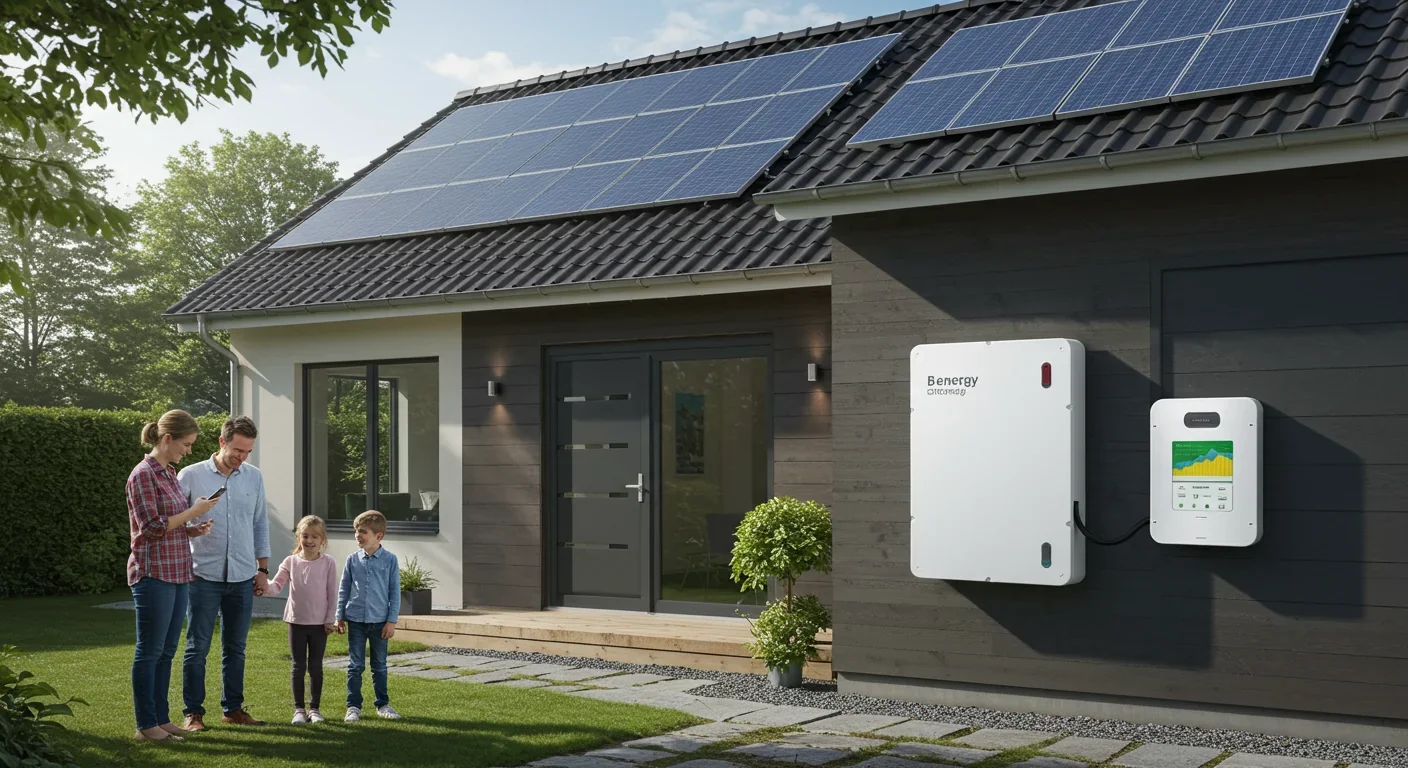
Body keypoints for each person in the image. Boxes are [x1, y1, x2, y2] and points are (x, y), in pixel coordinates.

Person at [126, 410, 216, 742]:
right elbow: (150, 528)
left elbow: (169, 524)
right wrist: (193, 511)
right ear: (167, 439)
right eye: (186, 444)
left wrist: (192, 528)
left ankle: (161, 720)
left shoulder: (168, 472)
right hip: (153, 573)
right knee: (149, 651)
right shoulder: (142, 475)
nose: (188, 451)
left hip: (178, 572)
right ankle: (145, 725)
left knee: (166, 651)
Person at [177, 415, 270, 730]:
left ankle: (233, 709)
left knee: (236, 648)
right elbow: (174, 522)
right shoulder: (191, 475)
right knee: (197, 647)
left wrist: (262, 569)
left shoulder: (254, 477)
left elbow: (260, 524)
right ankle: (193, 713)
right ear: (222, 442)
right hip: (202, 575)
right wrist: (193, 527)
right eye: (237, 450)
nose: (242, 457)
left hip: (242, 576)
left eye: (247, 452)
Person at [261, 515, 339, 724]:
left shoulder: (328, 563)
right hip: (296, 622)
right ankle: (299, 710)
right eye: (305, 536)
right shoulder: (290, 562)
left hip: (319, 625)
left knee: (316, 666)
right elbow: (276, 586)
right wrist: (262, 586)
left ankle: (314, 709)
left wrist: (330, 619)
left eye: (315, 537)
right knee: (298, 666)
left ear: (322, 540)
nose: (309, 541)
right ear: (298, 538)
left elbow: (332, 594)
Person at [336, 510, 402, 723]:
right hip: (355, 621)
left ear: (378, 536)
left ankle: (383, 704)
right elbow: (344, 589)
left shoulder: (390, 560)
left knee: (379, 665)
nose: (358, 535)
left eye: (363, 531)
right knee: (355, 666)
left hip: (380, 622)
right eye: (356, 531)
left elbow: (394, 592)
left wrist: (391, 621)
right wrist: (339, 615)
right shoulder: (352, 560)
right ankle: (353, 707)